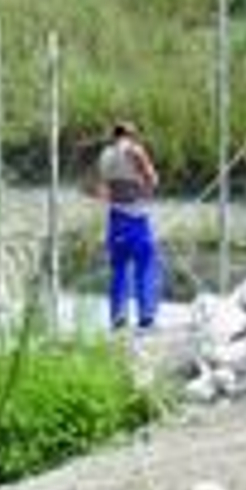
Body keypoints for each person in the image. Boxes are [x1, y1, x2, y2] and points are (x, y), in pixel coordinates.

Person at [95, 120, 160, 331]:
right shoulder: (135, 151)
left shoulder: (105, 155)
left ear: (114, 135)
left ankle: (118, 317)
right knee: (145, 265)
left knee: (119, 269)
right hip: (137, 217)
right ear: (131, 135)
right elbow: (152, 179)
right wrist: (146, 192)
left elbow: (102, 191)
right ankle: (146, 316)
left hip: (115, 217)